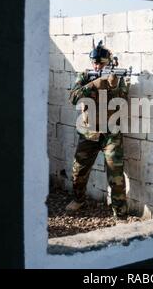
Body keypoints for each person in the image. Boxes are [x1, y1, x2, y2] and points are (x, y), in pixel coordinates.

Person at [65, 40, 130, 220]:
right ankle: (79, 199)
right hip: (88, 132)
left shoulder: (117, 78)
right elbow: (73, 98)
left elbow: (123, 102)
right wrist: (94, 85)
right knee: (78, 171)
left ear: (108, 62)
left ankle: (121, 215)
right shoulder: (85, 76)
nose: (96, 65)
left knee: (115, 176)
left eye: (100, 63)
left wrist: (113, 86)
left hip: (111, 134)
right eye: (94, 62)